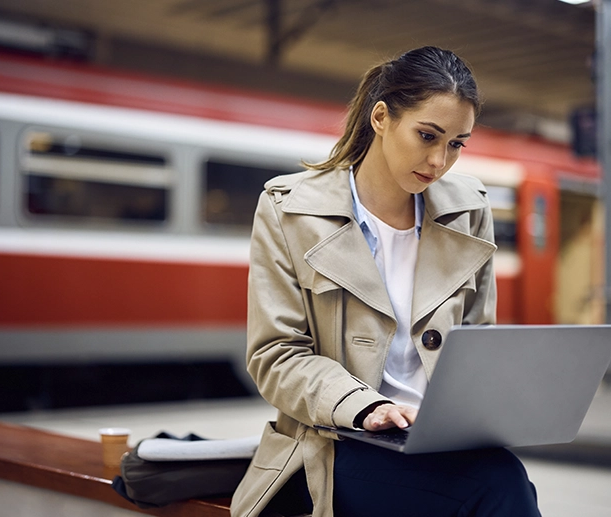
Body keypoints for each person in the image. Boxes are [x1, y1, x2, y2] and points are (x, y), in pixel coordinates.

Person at [231, 46, 541, 517]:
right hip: (336, 444)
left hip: (438, 441)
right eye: (427, 135)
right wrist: (365, 407)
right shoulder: (287, 208)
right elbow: (275, 356)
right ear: (381, 117)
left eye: (457, 143)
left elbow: (477, 344)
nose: (439, 160)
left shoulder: (469, 209)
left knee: (500, 474)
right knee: (497, 485)